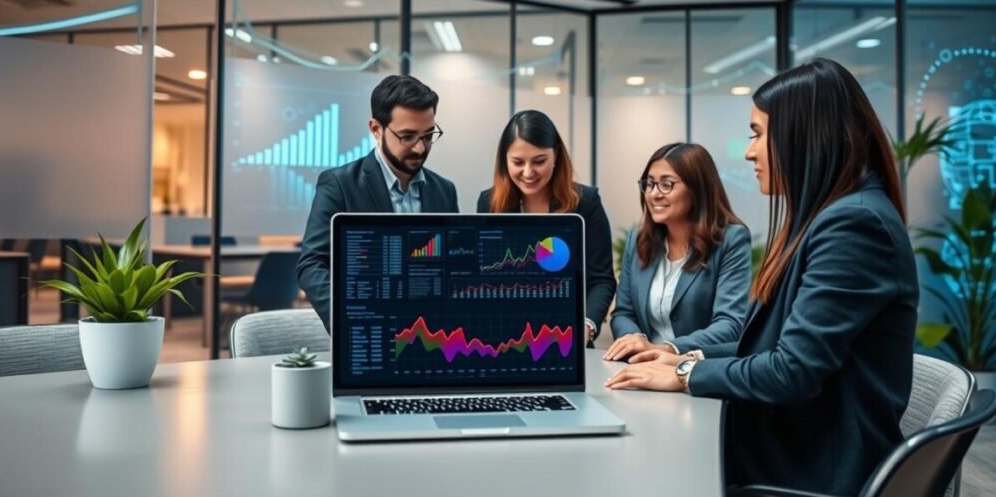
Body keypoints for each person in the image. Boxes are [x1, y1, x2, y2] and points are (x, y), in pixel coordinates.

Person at [605, 58, 919, 496]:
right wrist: (682, 361)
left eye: (757, 134)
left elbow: (792, 371)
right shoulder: (830, 217)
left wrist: (684, 375)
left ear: (802, 136)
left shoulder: (854, 225)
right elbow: (772, 346)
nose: (749, 151)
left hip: (808, 471)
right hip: (789, 447)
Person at [297, 75, 459, 332]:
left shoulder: (444, 191)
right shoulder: (339, 185)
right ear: (376, 129)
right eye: (407, 137)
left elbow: (453, 267)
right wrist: (346, 318)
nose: (419, 148)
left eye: (428, 136)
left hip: (429, 332)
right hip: (366, 328)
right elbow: (312, 265)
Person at [476, 110, 616, 346]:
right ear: (504, 160)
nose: (528, 172)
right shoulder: (489, 204)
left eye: (539, 161)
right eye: (518, 162)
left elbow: (602, 280)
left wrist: (587, 326)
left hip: (569, 337)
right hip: (507, 338)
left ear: (556, 156)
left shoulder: (586, 202)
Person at [602, 143, 750, 362]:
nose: (654, 194)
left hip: (695, 371)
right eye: (650, 184)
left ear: (697, 189)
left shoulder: (730, 240)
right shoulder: (638, 238)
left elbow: (730, 324)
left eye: (666, 185)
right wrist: (636, 341)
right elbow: (623, 313)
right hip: (641, 368)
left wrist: (667, 349)